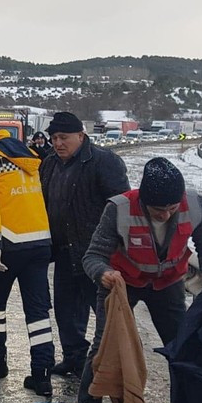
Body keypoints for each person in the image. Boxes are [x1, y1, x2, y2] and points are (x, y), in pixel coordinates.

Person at [68, 158, 202, 403]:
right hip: (121, 282)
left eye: (171, 209)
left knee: (181, 349)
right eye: (157, 210)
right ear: (144, 200)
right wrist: (103, 274)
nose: (165, 215)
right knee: (102, 349)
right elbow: (93, 256)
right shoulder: (119, 209)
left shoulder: (197, 205)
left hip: (168, 285)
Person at [0, 111, 55, 397]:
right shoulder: (27, 154)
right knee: (38, 312)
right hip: (40, 241)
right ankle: (42, 375)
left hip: (7, 242)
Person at [39, 112, 129, 378]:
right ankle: (74, 358)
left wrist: (118, 250)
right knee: (66, 311)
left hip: (98, 255)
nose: (57, 143)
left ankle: (114, 367)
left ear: (81, 135)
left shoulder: (104, 162)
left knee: (104, 315)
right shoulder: (49, 164)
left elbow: (122, 207)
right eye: (54, 138)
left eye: (63, 137)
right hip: (64, 250)